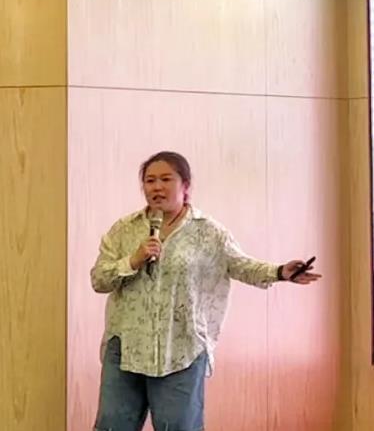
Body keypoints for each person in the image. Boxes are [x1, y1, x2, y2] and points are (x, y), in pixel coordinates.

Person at [90, 151, 321, 431]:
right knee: (112, 425)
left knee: (179, 426)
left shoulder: (208, 232)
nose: (157, 187)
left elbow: (240, 264)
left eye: (166, 179)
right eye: (150, 181)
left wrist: (280, 271)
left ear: (185, 185)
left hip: (181, 347)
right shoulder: (124, 230)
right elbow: (99, 280)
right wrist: (133, 260)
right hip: (126, 346)